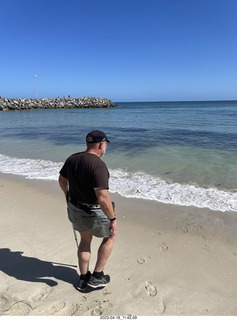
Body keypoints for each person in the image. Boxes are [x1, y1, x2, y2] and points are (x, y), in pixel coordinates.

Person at [58, 130, 117, 291]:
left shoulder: (72, 159)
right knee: (110, 236)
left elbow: (62, 180)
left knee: (85, 241)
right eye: (105, 145)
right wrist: (112, 219)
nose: (105, 148)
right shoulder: (98, 165)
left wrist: (67, 195)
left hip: (75, 208)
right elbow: (102, 197)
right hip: (93, 211)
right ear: (101, 144)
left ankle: (83, 278)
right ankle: (97, 276)